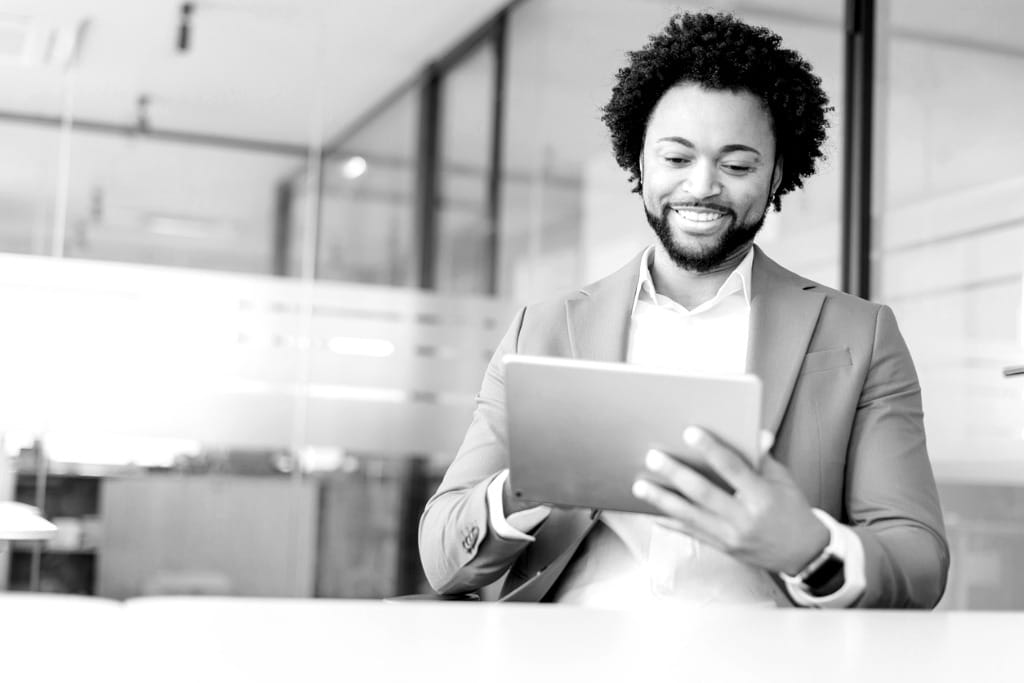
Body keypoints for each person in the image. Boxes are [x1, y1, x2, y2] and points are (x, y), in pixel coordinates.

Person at [418, 11, 948, 608]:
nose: (702, 187)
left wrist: (807, 547)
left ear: (778, 174)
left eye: (738, 165)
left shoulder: (860, 335)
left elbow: (919, 562)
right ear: (638, 163)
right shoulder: (541, 329)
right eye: (676, 159)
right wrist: (524, 489)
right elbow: (443, 557)